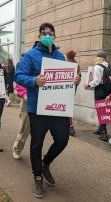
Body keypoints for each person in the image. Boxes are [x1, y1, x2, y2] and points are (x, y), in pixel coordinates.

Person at [14, 22, 81, 198]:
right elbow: (18, 76)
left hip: (57, 108)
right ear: (39, 36)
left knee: (62, 139)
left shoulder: (60, 57)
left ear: (55, 36)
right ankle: (37, 178)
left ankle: (46, 163)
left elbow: (65, 84)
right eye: (44, 33)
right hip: (37, 108)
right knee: (36, 143)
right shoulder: (30, 55)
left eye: (50, 33)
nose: (47, 36)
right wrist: (34, 80)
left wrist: (74, 82)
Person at [84, 51, 111, 142]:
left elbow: (97, 81)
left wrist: (88, 85)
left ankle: (104, 134)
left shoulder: (97, 67)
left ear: (98, 58)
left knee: (101, 111)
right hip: (109, 91)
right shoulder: (110, 66)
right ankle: (101, 129)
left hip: (100, 90)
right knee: (105, 110)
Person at [65, 49, 81, 137]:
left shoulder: (66, 64)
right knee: (69, 106)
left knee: (66, 106)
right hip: (73, 88)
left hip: (66, 88)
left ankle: (70, 127)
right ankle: (70, 126)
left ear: (67, 56)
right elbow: (79, 76)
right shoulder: (76, 64)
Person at [12, 83, 29, 160]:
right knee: (25, 128)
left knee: (38, 131)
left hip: (42, 101)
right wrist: (24, 94)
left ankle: (36, 152)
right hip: (28, 100)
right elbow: (20, 80)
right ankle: (17, 150)